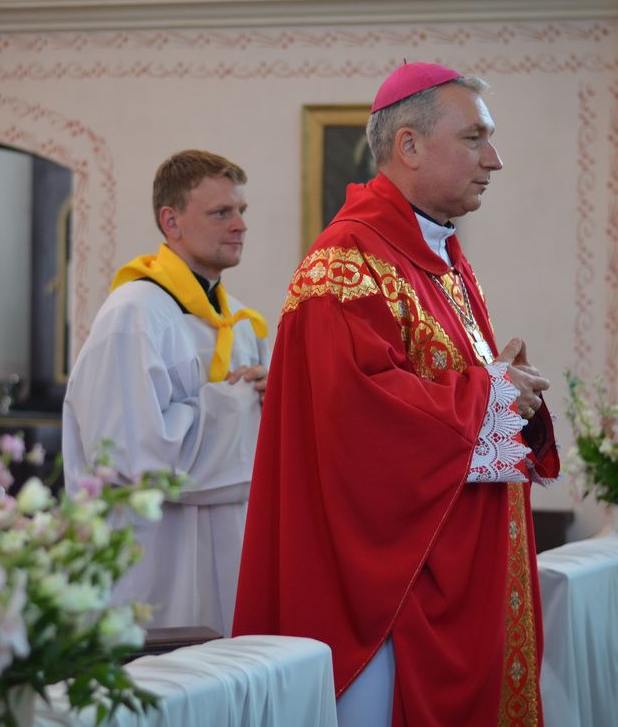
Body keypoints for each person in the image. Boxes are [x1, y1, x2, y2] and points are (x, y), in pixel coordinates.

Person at [232, 63, 561, 727]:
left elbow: (441, 386)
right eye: (474, 138)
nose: (494, 159)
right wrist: (492, 394)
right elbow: (358, 423)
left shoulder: (440, 260)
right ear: (409, 145)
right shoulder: (346, 263)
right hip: (391, 600)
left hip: (456, 572)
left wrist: (504, 386)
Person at [62, 150, 268, 637]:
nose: (240, 224)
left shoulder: (243, 324)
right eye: (221, 212)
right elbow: (132, 456)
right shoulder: (133, 316)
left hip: (227, 555)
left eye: (241, 210)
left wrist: (273, 400)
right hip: (153, 564)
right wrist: (242, 405)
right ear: (170, 221)